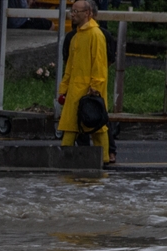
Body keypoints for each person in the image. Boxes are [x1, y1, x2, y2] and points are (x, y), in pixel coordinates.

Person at [58, 0, 111, 165]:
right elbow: (70, 67)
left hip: (89, 90)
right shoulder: (76, 36)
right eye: (72, 11)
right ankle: (64, 159)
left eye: (76, 11)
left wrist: (95, 88)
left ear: (87, 13)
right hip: (75, 90)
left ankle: (104, 159)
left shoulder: (95, 35)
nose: (72, 15)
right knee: (70, 126)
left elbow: (99, 65)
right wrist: (64, 88)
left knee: (96, 126)